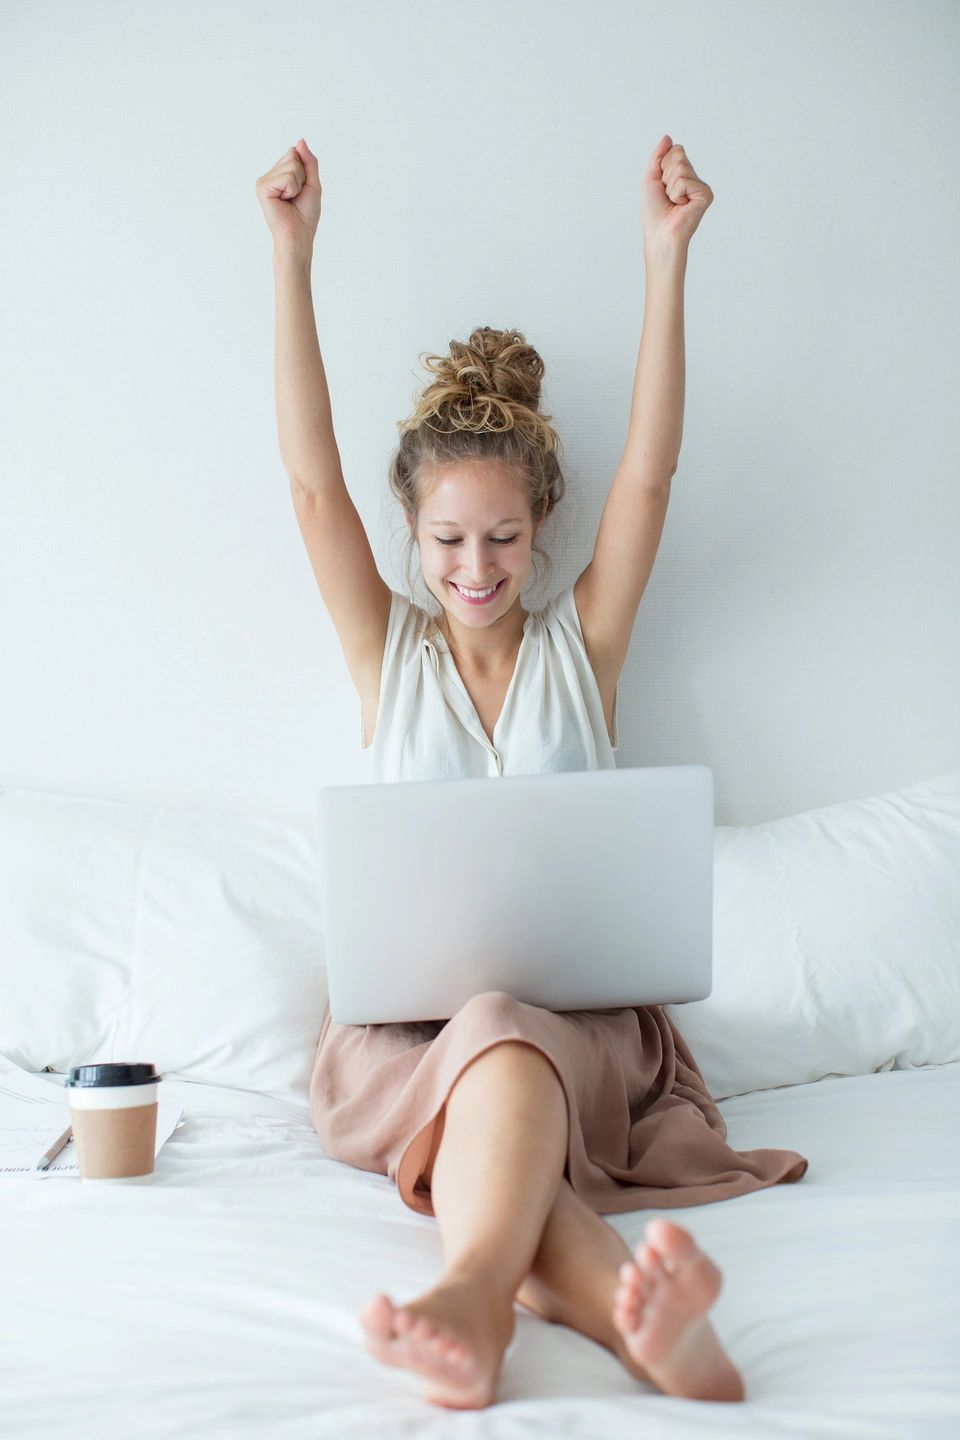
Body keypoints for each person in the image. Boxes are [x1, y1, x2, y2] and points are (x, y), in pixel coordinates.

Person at [255, 136, 808, 1411]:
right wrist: (291, 256)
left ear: (541, 528)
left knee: (504, 1050)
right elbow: (310, 487)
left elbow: (651, 477)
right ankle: (630, 1320)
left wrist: (666, 259)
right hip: (406, 1039)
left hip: (585, 1037)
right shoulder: (387, 653)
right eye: (448, 539)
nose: (475, 568)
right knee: (487, 1057)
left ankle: (470, 1301)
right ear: (412, 535)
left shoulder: (584, 648)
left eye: (503, 537)